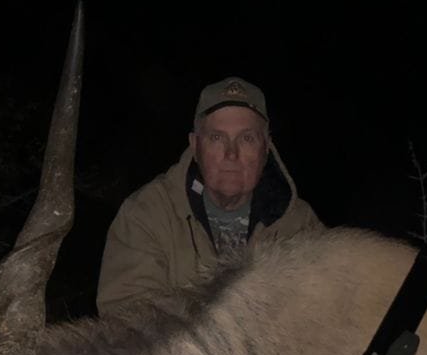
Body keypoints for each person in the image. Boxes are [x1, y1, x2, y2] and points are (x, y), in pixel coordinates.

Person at [96, 76, 322, 313]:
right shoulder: (146, 214)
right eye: (216, 138)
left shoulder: (300, 226)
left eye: (247, 138)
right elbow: (126, 321)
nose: (231, 153)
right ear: (195, 146)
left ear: (266, 148)